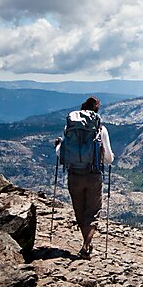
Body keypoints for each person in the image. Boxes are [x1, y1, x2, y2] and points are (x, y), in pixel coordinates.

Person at [55, 96, 114, 260]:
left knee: (80, 211)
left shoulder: (69, 127)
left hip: (74, 174)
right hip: (93, 174)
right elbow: (109, 159)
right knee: (93, 212)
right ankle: (87, 245)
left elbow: (61, 154)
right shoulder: (100, 129)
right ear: (97, 110)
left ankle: (86, 243)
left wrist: (58, 145)